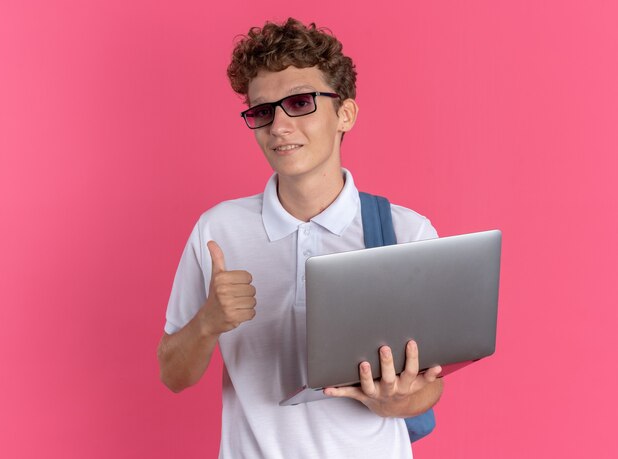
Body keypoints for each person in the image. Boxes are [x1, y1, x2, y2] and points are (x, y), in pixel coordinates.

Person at [157, 18, 443, 458]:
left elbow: (429, 389)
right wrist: (208, 322)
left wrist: (396, 399)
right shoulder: (218, 232)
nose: (279, 126)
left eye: (300, 102)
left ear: (344, 113)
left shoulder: (408, 232)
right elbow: (173, 374)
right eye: (262, 111)